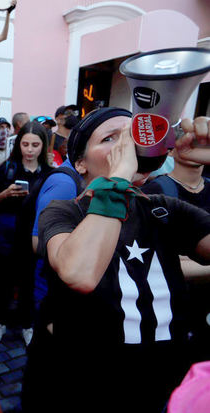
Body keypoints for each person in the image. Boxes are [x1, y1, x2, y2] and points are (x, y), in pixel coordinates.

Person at [23, 109, 210, 413]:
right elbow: (79, 272)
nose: (128, 145)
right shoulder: (64, 212)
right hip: (83, 388)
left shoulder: (162, 209)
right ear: (80, 163)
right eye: (111, 138)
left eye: (132, 136)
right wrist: (119, 177)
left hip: (165, 385)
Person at [142, 142, 210, 364]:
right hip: (168, 313)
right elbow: (154, 261)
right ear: (171, 149)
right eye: (191, 143)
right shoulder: (155, 191)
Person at [0, 121, 52, 346]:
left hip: (34, 235)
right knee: (2, 281)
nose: (30, 149)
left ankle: (27, 323)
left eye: (35, 144)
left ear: (43, 146)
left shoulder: (50, 173)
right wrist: (5, 194)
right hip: (7, 235)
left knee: (29, 281)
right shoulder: (8, 167)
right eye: (25, 144)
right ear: (18, 144)